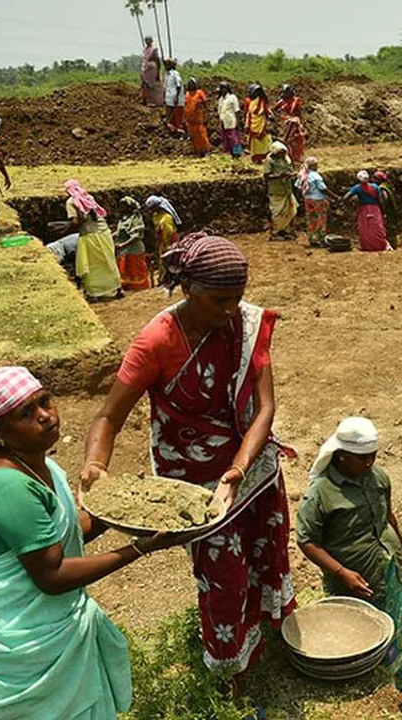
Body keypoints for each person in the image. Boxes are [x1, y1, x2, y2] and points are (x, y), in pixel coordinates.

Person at [82, 233, 296, 683]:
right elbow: (107, 417)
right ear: (188, 289)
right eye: (220, 300)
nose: (231, 311)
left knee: (264, 552)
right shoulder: (156, 343)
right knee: (225, 579)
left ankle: (265, 640)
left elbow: (266, 407)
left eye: (237, 299)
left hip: (251, 467)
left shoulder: (246, 326)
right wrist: (96, 467)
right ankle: (230, 673)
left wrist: (238, 469)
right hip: (194, 485)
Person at [0, 367, 192, 720]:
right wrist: (141, 547)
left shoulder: (41, 467)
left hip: (43, 626)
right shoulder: (7, 486)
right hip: (16, 639)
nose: (45, 416)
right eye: (26, 413)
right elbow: (51, 574)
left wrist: (139, 508)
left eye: (45, 402)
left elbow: (60, 535)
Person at [297, 417, 402, 707]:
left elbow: (388, 515)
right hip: (356, 578)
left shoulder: (377, 478)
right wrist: (342, 573)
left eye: (373, 456)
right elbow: (307, 540)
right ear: (341, 456)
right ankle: (381, 690)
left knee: (400, 622)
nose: (369, 463)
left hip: (390, 566)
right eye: (362, 458)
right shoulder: (321, 493)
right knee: (364, 632)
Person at [60, 180, 121, 301]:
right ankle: (118, 288)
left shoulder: (71, 202)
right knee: (109, 262)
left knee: (91, 265)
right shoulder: (88, 197)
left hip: (89, 236)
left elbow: (75, 222)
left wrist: (65, 230)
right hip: (104, 233)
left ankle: (93, 293)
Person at [298, 157, 343, 248]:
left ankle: (312, 239)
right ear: (312, 166)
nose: (317, 166)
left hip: (308, 200)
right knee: (320, 219)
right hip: (318, 201)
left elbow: (299, 187)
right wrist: (336, 197)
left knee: (311, 219)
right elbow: (323, 189)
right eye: (316, 165)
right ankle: (320, 239)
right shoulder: (316, 176)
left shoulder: (303, 175)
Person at [344, 170, 391, 252]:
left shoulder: (357, 188)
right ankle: (380, 245)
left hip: (363, 209)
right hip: (375, 209)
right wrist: (383, 210)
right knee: (377, 227)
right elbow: (381, 200)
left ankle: (367, 246)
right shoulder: (375, 187)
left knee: (365, 228)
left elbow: (346, 197)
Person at [114, 197, 152, 291]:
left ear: (129, 207)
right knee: (126, 270)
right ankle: (128, 287)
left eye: (123, 206)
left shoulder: (136, 219)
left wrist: (123, 245)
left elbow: (136, 236)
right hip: (124, 250)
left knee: (136, 270)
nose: (121, 208)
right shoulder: (123, 219)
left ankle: (140, 288)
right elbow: (119, 232)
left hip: (134, 249)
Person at [265, 142, 298, 240]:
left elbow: (291, 169)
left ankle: (286, 231)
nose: (282, 155)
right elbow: (266, 175)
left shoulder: (286, 159)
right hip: (276, 190)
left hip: (287, 189)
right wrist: (279, 176)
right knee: (277, 211)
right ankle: (276, 232)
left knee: (289, 211)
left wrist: (291, 174)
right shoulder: (269, 160)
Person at [143, 195, 181, 273]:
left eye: (151, 209)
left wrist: (164, 245)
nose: (151, 211)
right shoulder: (156, 216)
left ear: (157, 207)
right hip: (162, 240)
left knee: (169, 259)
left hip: (169, 241)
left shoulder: (166, 218)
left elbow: (168, 234)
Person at [276, 84, 306, 164]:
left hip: (294, 124)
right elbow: (275, 109)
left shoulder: (296, 101)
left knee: (295, 141)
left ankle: (296, 157)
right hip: (285, 124)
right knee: (286, 142)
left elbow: (299, 113)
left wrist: (294, 119)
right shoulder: (282, 101)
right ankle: (288, 157)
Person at [245, 83, 273, 163]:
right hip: (253, 123)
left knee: (263, 141)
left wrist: (270, 117)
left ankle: (264, 156)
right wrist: (246, 123)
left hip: (261, 124)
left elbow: (267, 111)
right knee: (255, 143)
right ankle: (256, 158)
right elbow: (248, 113)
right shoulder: (249, 101)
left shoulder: (262, 102)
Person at [183, 78, 211, 156]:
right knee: (193, 136)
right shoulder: (187, 94)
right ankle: (197, 151)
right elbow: (185, 105)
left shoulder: (199, 93)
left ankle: (206, 150)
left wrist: (207, 116)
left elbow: (205, 104)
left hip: (199, 118)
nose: (190, 85)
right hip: (190, 119)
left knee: (201, 135)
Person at [216, 82, 243, 158]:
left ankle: (237, 154)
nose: (222, 90)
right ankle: (231, 153)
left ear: (227, 89)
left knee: (234, 138)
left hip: (231, 121)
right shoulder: (220, 99)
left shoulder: (232, 98)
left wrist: (238, 122)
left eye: (223, 88)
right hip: (224, 121)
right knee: (226, 138)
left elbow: (237, 111)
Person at [373, 170, 401, 243]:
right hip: (391, 210)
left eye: (375, 178)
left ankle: (391, 243)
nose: (373, 180)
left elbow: (384, 198)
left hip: (388, 211)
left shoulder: (382, 188)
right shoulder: (387, 186)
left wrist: (383, 210)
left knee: (389, 227)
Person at [140, 37, 165, 107]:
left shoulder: (154, 49)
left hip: (152, 69)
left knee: (152, 85)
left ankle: (155, 102)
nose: (147, 41)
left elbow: (157, 60)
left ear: (151, 41)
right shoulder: (144, 49)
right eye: (146, 40)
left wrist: (158, 71)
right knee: (144, 84)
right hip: (145, 68)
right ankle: (145, 100)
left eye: (148, 40)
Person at [163, 59, 184, 134]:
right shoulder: (166, 75)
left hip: (175, 99)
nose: (165, 66)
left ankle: (179, 131)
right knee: (169, 115)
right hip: (169, 98)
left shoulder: (175, 74)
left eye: (166, 65)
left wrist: (176, 97)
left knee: (176, 116)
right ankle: (172, 130)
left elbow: (179, 86)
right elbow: (165, 87)